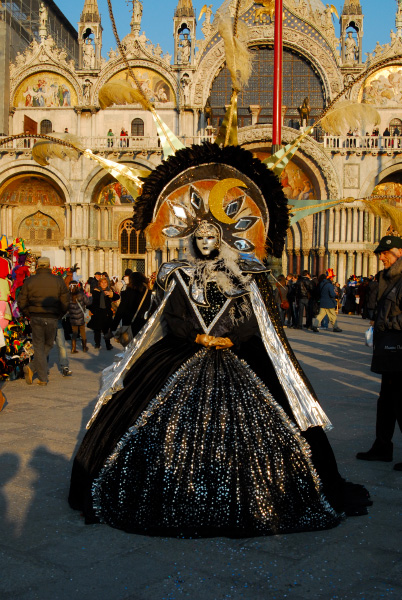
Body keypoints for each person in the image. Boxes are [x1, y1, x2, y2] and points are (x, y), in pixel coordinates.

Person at [69, 144, 371, 535]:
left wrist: (230, 339)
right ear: (194, 238)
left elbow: (256, 320)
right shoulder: (178, 275)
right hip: (184, 353)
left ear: (224, 235)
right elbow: (173, 318)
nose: (207, 239)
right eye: (201, 234)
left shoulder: (247, 275)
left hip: (239, 354)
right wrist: (196, 336)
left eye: (214, 234)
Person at [356, 236, 402, 471]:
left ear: (400, 252)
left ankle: (383, 446)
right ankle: (382, 447)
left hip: (399, 349)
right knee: (386, 402)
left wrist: (386, 323)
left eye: (385, 252)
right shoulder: (388, 279)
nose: (381, 257)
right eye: (380, 253)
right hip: (389, 350)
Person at [17, 256, 69, 385]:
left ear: (38, 266)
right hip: (52, 317)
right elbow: (65, 301)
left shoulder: (30, 281)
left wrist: (29, 313)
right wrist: (60, 314)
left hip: (35, 317)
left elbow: (21, 301)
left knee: (40, 346)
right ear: (49, 265)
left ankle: (33, 368)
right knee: (48, 345)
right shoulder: (58, 281)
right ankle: (42, 377)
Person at [111, 272, 151, 338]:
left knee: (130, 346)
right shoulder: (149, 293)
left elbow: (120, 311)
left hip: (129, 324)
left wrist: (113, 327)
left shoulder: (127, 293)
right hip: (144, 324)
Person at [87, 277, 119, 350]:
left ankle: (108, 344)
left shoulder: (109, 291)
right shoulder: (95, 291)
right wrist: (92, 311)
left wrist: (110, 294)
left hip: (107, 313)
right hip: (97, 313)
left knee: (106, 330)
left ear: (107, 283)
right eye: (102, 282)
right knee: (97, 330)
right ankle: (97, 344)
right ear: (99, 284)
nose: (104, 284)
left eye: (105, 282)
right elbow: (92, 303)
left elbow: (117, 297)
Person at [68, 282, 92, 353]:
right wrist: (90, 298)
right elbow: (88, 303)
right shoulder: (81, 294)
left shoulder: (67, 295)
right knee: (82, 331)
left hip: (72, 316)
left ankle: (73, 348)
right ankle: (84, 347)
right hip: (81, 316)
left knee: (74, 332)